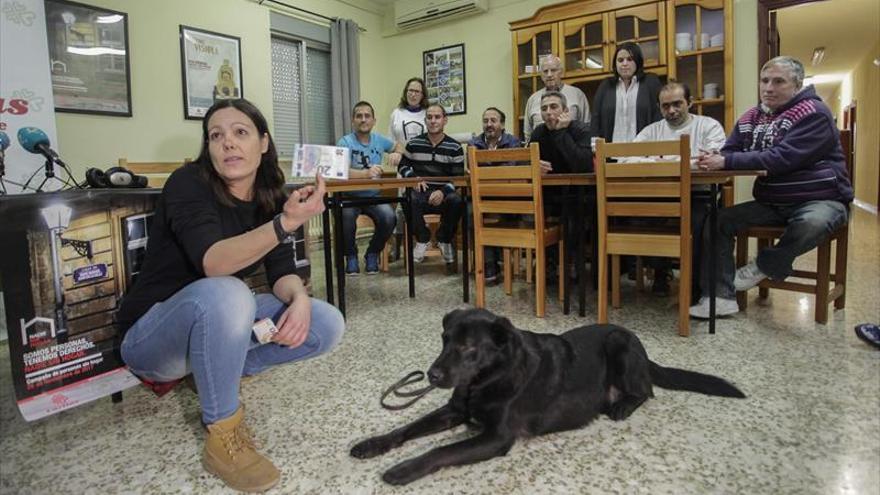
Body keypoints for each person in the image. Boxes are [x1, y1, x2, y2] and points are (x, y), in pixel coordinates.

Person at [115, 99, 345, 492]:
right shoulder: (188, 183)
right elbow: (215, 263)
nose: (228, 144)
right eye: (216, 136)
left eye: (241, 132)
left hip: (214, 320)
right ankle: (223, 435)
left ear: (264, 143)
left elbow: (282, 272)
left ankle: (211, 372)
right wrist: (287, 222)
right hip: (150, 338)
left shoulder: (268, 195)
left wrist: (300, 300)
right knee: (229, 293)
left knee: (326, 324)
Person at [689, 56, 853, 318]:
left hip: (821, 199)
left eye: (779, 81)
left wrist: (726, 160)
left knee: (812, 223)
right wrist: (715, 155)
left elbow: (782, 157)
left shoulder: (814, 112)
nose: (768, 88)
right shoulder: (752, 116)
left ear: (797, 85)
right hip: (772, 202)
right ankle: (720, 297)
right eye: (764, 81)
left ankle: (767, 262)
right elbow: (730, 150)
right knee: (717, 219)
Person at [630, 82, 727, 297]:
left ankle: (695, 283)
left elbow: (711, 160)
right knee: (640, 218)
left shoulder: (708, 125)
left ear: (689, 103)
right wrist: (684, 161)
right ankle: (660, 273)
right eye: (665, 106)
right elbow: (628, 159)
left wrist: (659, 161)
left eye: (677, 104)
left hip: (699, 194)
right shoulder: (651, 130)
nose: (671, 111)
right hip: (659, 195)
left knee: (701, 226)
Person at [528, 91, 593, 278]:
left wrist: (561, 132)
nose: (548, 112)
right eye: (544, 108)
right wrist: (533, 165)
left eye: (554, 107)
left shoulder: (580, 129)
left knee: (573, 212)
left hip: (579, 193)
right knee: (537, 209)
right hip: (549, 194)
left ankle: (570, 261)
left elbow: (583, 165)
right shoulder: (538, 132)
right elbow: (524, 161)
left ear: (565, 111)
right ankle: (547, 261)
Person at [336, 101, 402, 275]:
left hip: (373, 196)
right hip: (349, 197)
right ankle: (350, 256)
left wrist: (397, 153)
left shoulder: (380, 140)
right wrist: (365, 174)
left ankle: (372, 253)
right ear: (353, 120)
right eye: (359, 116)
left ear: (374, 120)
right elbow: (340, 170)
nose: (363, 120)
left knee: (389, 217)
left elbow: (398, 145)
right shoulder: (344, 142)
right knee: (345, 217)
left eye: (367, 116)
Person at [398, 103, 465, 265]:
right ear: (425, 120)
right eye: (429, 117)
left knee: (457, 201)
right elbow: (403, 165)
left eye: (437, 117)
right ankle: (422, 239)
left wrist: (443, 192)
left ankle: (444, 239)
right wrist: (413, 177)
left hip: (444, 195)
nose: (433, 121)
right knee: (406, 197)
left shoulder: (455, 147)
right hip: (420, 193)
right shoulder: (414, 144)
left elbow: (457, 178)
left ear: (445, 120)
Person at [468, 107, 523, 282]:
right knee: (471, 213)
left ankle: (493, 262)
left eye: (493, 120)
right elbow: (471, 169)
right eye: (486, 121)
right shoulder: (474, 144)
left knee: (496, 213)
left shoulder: (513, 142)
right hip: (481, 196)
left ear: (502, 124)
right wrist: (496, 167)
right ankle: (489, 265)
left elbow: (510, 169)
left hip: (508, 196)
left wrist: (486, 169)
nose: (489, 124)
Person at [590, 41, 663, 144]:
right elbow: (596, 118)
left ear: (638, 61)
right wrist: (595, 145)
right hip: (611, 153)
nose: (624, 64)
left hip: (644, 152)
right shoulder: (606, 85)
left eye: (629, 59)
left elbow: (659, 115)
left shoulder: (650, 82)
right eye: (620, 60)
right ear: (615, 64)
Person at [522, 55, 590, 141]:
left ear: (561, 72)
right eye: (545, 71)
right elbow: (528, 135)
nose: (549, 75)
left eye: (553, 70)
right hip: (542, 152)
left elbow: (586, 128)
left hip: (571, 151)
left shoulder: (577, 95)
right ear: (541, 75)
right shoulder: (533, 99)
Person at [389, 77, 428, 147]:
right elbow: (391, 140)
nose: (413, 94)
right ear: (406, 92)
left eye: (417, 91)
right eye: (411, 90)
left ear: (422, 95)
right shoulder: (396, 113)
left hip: (424, 156)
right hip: (401, 156)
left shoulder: (428, 114)